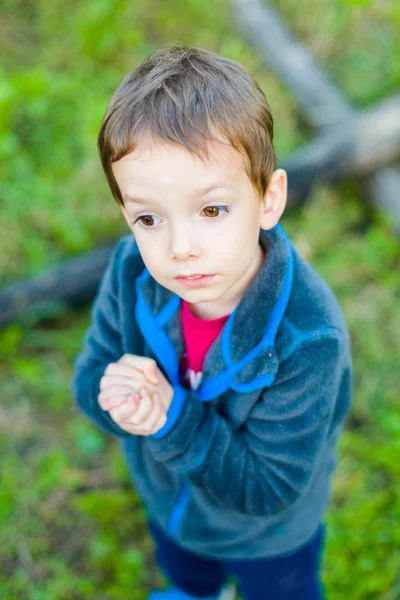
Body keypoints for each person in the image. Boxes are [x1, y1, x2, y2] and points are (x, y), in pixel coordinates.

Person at [71, 43, 353, 600]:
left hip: (269, 539)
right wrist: (117, 400)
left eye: (211, 210)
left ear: (268, 199)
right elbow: (88, 384)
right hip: (169, 505)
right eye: (148, 218)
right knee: (187, 574)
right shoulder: (132, 270)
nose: (180, 248)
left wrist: (169, 420)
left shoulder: (308, 336)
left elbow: (269, 487)